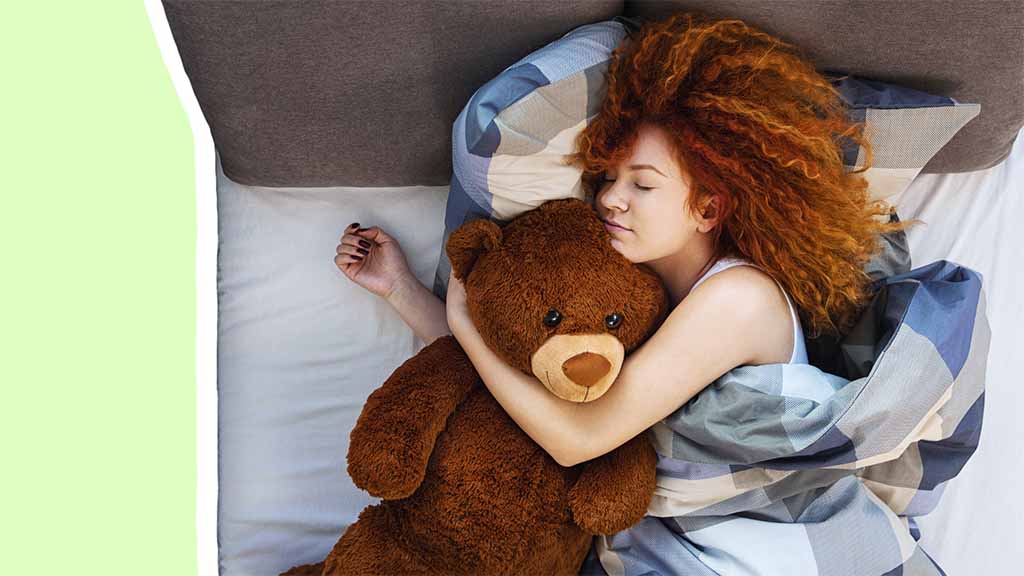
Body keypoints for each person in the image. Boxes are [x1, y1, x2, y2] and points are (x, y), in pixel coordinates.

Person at [334, 11, 910, 573]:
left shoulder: (740, 299)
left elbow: (576, 438)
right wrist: (400, 289)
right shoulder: (642, 291)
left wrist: (463, 324)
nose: (610, 198)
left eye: (643, 184)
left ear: (708, 207)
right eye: (609, 178)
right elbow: (530, 383)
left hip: (760, 536)